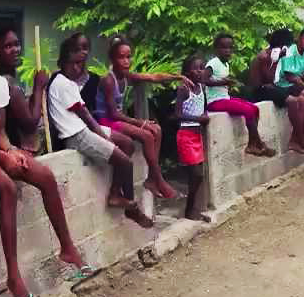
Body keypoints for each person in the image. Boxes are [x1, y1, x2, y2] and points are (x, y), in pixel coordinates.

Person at [0, 31, 91, 297]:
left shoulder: (1, 85)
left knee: (45, 176)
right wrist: (2, 157)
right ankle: (14, 277)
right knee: (7, 188)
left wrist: (11, 151)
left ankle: (67, 248)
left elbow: (0, 131)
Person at [47, 37, 153, 229]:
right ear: (64, 61)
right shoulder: (62, 82)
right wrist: (103, 136)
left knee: (127, 143)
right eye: (75, 63)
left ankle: (115, 192)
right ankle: (129, 204)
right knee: (125, 162)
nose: (79, 68)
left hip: (85, 128)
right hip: (76, 135)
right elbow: (85, 114)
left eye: (81, 63)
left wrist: (103, 133)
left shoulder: (69, 82)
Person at [95, 36, 186, 200]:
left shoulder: (126, 76)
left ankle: (152, 179)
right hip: (106, 121)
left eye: (128, 57)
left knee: (156, 129)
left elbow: (153, 77)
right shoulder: (108, 80)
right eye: (121, 57)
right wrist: (141, 123)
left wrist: (178, 77)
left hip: (117, 120)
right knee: (146, 134)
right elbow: (113, 114)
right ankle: (159, 180)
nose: (126, 61)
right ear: (112, 59)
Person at [246, 28, 304, 155]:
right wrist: (272, 62)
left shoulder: (277, 55)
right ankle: (301, 139)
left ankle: (298, 138)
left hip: (270, 86)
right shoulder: (264, 56)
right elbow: (261, 81)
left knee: (302, 100)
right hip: (260, 90)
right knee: (293, 101)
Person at [205, 33, 275, 158]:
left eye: (230, 48)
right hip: (214, 102)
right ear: (216, 49)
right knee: (248, 110)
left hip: (224, 98)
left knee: (254, 108)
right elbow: (204, 80)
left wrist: (228, 83)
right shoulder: (213, 63)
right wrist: (223, 82)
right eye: (224, 48)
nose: (228, 51)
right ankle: (258, 144)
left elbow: (221, 82)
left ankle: (252, 142)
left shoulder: (225, 64)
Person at [0, 28, 49, 154]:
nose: (15, 50)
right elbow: (30, 124)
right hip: (15, 149)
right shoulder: (8, 85)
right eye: (8, 46)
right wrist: (38, 87)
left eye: (17, 44)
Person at [174, 55, 210, 221]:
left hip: (197, 135)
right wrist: (198, 119)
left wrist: (204, 115)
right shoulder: (183, 89)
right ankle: (189, 209)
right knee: (196, 174)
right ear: (187, 71)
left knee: (197, 175)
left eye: (202, 67)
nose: (200, 71)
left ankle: (192, 209)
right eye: (196, 68)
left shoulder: (202, 87)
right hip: (186, 135)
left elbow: (203, 108)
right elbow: (177, 115)